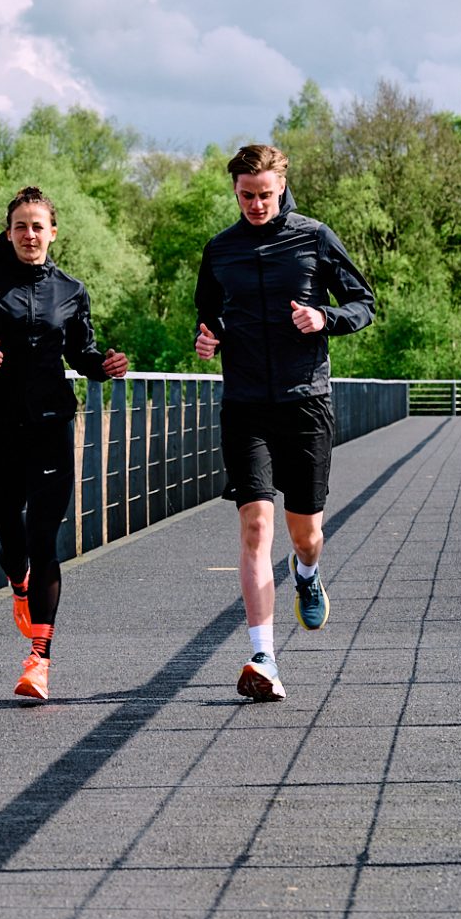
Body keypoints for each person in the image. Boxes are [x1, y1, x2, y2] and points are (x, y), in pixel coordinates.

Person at [0, 186, 128, 702]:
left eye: (38, 225)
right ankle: (17, 583)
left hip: (52, 427)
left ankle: (39, 661)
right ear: (8, 231)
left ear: (53, 232)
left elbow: (82, 352)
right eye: (20, 225)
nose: (29, 234)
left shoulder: (71, 289)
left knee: (44, 541)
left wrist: (102, 367)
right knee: (13, 543)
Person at [195, 143, 375, 701]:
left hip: (305, 401)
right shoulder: (220, 250)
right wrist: (208, 337)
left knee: (308, 533)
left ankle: (306, 572)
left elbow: (364, 303)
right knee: (254, 526)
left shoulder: (314, 237)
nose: (255, 205)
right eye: (246, 196)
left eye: (265, 195)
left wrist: (325, 316)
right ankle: (263, 657)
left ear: (281, 188)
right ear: (235, 191)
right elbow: (209, 313)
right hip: (245, 403)